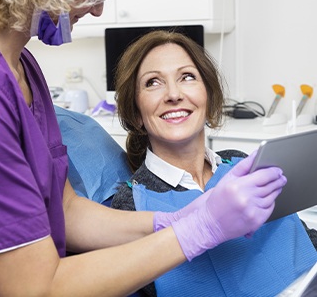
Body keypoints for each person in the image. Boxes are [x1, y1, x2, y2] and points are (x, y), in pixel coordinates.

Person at [0, 0, 288, 296]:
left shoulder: (23, 66)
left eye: (187, 77)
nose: (98, 9)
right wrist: (200, 229)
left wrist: (181, 217)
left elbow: (66, 210)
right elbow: (36, 288)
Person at [111, 30, 317, 296]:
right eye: (153, 82)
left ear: (208, 98)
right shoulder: (131, 204)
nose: (173, 94)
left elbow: (298, 237)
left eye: (187, 77)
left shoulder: (242, 162)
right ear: (136, 112)